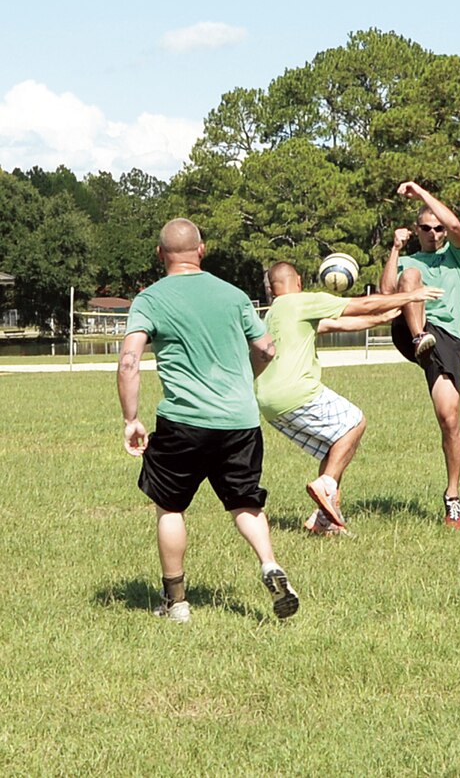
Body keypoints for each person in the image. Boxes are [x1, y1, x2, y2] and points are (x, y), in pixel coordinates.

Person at [117, 218, 299, 622]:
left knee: (171, 506)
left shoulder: (150, 299)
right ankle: (269, 563)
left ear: (160, 254)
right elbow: (267, 349)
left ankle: (176, 602)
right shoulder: (234, 295)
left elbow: (130, 361)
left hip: (184, 422)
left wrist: (131, 418)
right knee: (245, 501)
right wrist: (241, 381)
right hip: (240, 420)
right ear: (202, 250)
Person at [254, 261, 443, 536]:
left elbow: (346, 322)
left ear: (271, 287)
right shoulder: (302, 301)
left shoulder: (275, 314)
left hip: (268, 403)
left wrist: (387, 315)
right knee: (355, 422)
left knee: (335, 447)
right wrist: (411, 296)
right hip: (295, 391)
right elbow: (361, 305)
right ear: (298, 281)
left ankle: (324, 521)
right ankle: (328, 485)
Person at [380, 181, 460, 528]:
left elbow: (458, 227)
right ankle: (420, 339)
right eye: (426, 227)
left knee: (449, 418)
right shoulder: (409, 261)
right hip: (413, 329)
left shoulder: (457, 258)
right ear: (416, 229)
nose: (434, 233)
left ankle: (453, 497)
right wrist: (394, 249)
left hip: (446, 338)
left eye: (438, 228)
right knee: (412, 276)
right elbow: (388, 293)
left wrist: (421, 194)